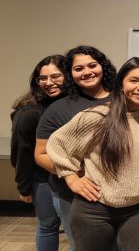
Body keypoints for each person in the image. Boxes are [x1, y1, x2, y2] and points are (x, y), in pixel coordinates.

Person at [46, 57, 139, 251]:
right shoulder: (97, 117)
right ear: (121, 86)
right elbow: (57, 144)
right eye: (134, 80)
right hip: (93, 210)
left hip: (138, 209)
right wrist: (71, 178)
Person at [35, 46, 117, 250]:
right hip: (73, 195)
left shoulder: (122, 100)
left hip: (117, 195)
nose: (87, 72)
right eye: (78, 68)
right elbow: (41, 154)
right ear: (70, 74)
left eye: (92, 65)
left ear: (103, 67)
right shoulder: (58, 109)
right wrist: (72, 177)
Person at [10, 55, 66, 251]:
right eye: (43, 78)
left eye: (56, 76)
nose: (49, 83)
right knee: (48, 226)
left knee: (72, 229)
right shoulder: (29, 111)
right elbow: (21, 150)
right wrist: (23, 187)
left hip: (73, 179)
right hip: (43, 180)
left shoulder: (72, 105)